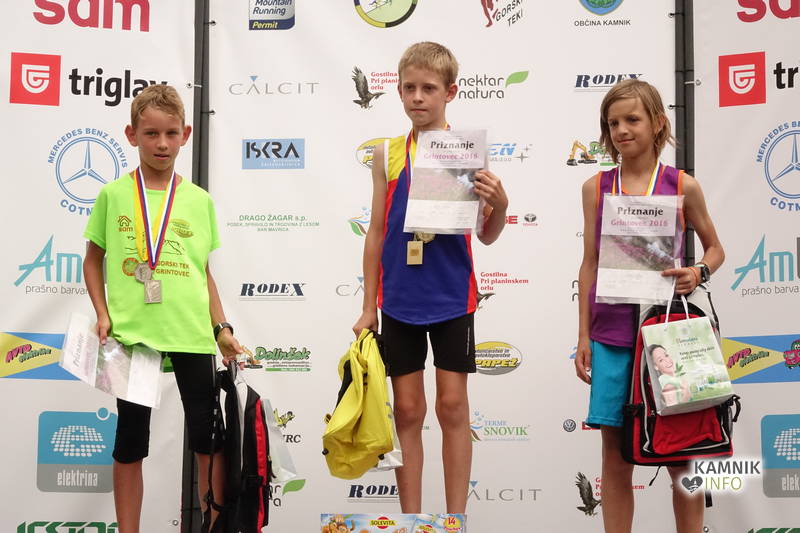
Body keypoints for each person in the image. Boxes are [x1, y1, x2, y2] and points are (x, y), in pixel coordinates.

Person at [352, 41, 508, 513]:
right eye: (409, 88)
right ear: (399, 91)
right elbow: (376, 231)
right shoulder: (386, 153)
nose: (418, 97)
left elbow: (487, 235)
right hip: (399, 299)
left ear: (450, 92)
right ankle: (412, 520)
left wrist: (500, 204)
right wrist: (368, 306)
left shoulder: (468, 152)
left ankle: (455, 519)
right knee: (407, 409)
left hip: (452, 296)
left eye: (429, 88)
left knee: (453, 406)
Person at [83, 84, 241, 532]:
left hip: (191, 333)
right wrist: (103, 313)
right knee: (130, 442)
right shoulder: (113, 195)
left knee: (209, 441)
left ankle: (213, 527)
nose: (162, 144)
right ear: (132, 134)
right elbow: (93, 261)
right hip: (134, 336)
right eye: (151, 133)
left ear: (186, 134)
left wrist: (222, 328)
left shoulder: (199, 200)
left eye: (171, 133)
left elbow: (203, 272)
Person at [575, 79, 724, 533]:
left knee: (684, 457)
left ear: (658, 122)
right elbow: (589, 263)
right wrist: (583, 336)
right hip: (612, 338)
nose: (621, 130)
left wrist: (698, 271)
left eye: (632, 119)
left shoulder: (682, 185)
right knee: (615, 456)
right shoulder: (595, 187)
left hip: (668, 335)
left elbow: (715, 248)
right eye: (613, 123)